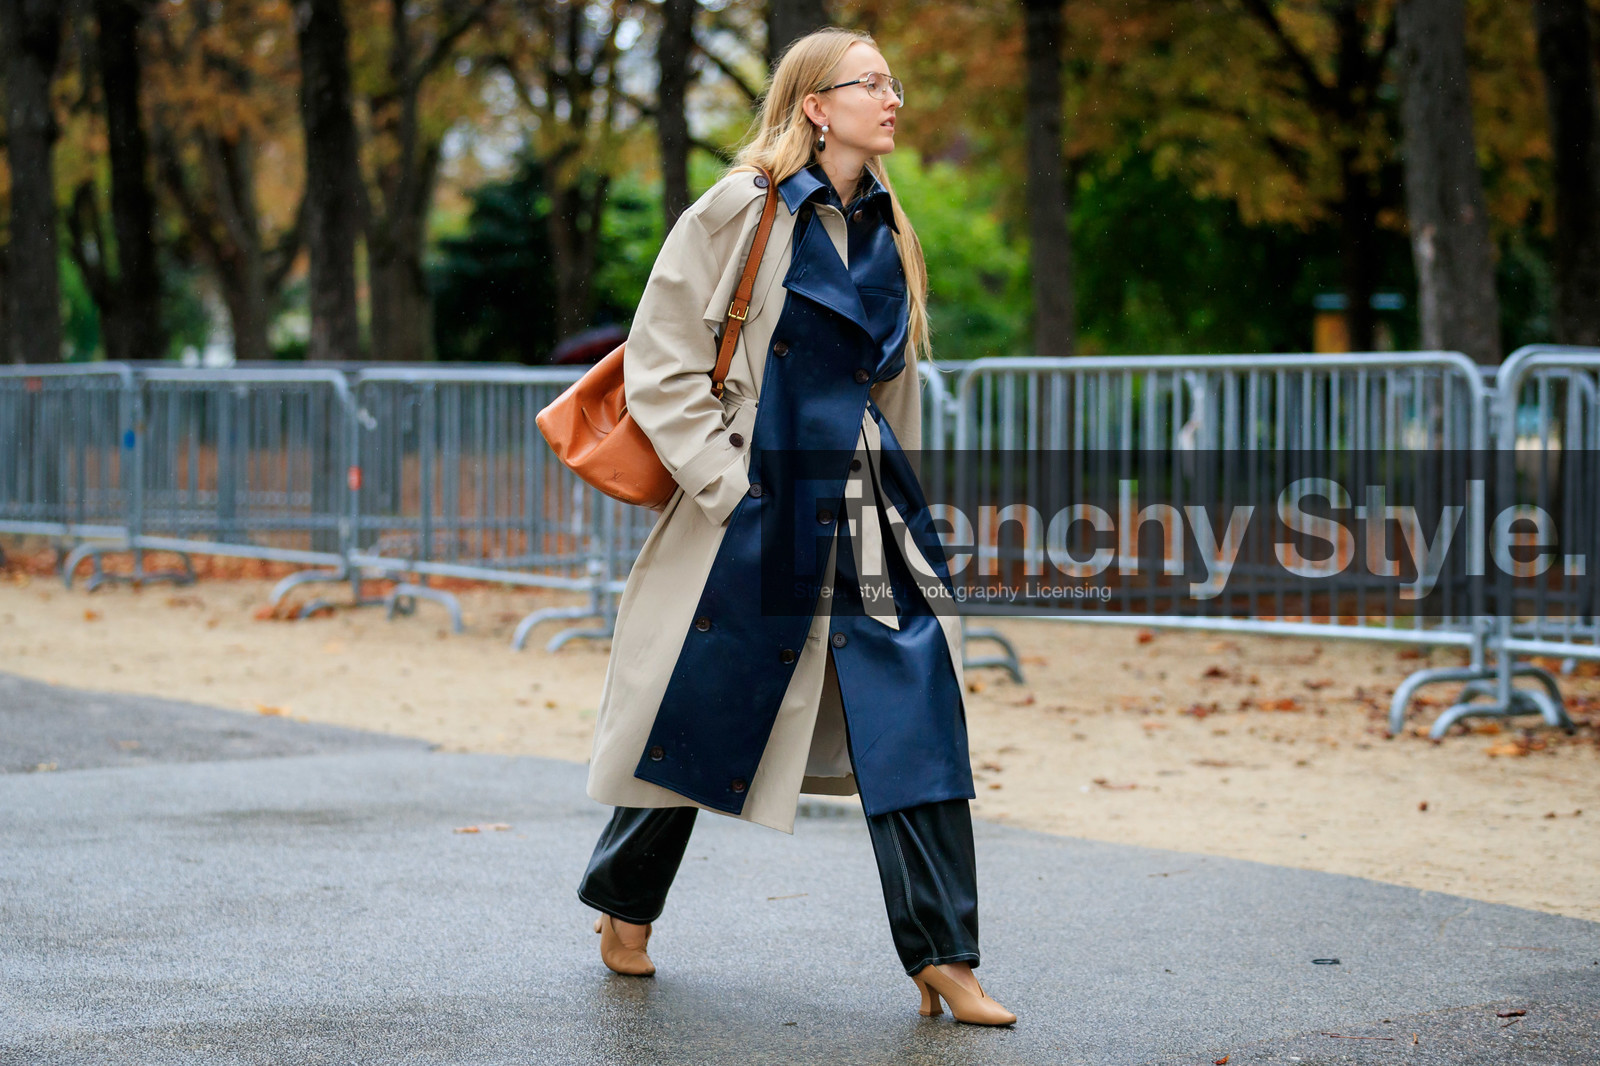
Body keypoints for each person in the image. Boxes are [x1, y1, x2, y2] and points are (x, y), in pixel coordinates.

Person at [575, 26, 1015, 1026]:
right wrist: (729, 489)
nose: (892, 98)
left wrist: (900, 501)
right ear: (816, 105)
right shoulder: (740, 209)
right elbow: (661, 363)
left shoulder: (893, 226)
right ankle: (625, 901)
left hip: (860, 501)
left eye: (894, 82)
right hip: (749, 497)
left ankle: (945, 952)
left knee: (913, 702)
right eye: (871, 83)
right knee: (701, 706)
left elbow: (887, 385)